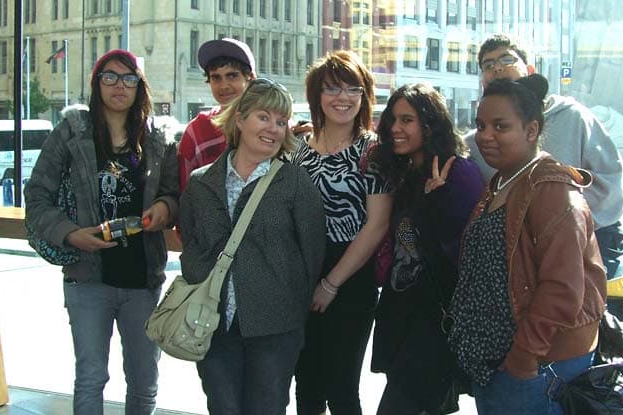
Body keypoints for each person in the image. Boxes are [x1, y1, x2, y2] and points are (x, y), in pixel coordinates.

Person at [24, 49, 179, 414]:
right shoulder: (71, 133)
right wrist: (69, 233)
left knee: (144, 379)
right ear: (97, 84)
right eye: (109, 77)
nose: (119, 86)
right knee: (91, 376)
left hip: (143, 279)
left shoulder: (158, 138)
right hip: (87, 278)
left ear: (140, 87)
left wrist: (165, 208)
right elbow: (36, 198)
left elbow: (175, 194)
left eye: (129, 79)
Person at [448, 74, 607, 415]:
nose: (485, 136)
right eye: (480, 125)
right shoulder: (503, 181)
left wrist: (525, 356)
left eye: (500, 126)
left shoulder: (551, 190)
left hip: (531, 368)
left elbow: (562, 288)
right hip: (498, 364)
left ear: (532, 130)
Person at [179, 77, 326, 414]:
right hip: (213, 324)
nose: (274, 129)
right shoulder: (202, 182)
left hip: (275, 328)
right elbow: (191, 241)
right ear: (240, 119)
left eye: (281, 121)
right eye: (264, 117)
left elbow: (312, 252)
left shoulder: (294, 182)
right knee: (223, 407)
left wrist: (290, 306)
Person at [464, 33, 623, 320]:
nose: (496, 68)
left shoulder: (574, 118)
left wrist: (561, 218)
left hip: (574, 257)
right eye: (487, 64)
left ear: (530, 69)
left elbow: (608, 182)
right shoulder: (475, 143)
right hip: (509, 269)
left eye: (507, 59)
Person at [286, 50, 392, 415]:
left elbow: (376, 225)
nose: (342, 98)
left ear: (364, 96)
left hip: (351, 276)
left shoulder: (374, 150)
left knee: (343, 388)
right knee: (307, 384)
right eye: (332, 89)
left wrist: (331, 283)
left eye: (353, 89)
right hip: (301, 275)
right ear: (317, 95)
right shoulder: (298, 149)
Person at [368, 84, 484, 414]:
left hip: (434, 325)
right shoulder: (408, 173)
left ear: (430, 124)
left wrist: (435, 205)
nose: (395, 128)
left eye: (407, 120)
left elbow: (467, 256)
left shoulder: (457, 172)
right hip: (402, 316)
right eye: (392, 119)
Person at [178, 38, 256, 191]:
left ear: (250, 79)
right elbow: (184, 194)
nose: (224, 86)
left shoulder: (274, 126)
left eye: (232, 76)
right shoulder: (197, 130)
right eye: (216, 78)